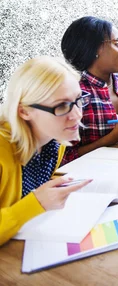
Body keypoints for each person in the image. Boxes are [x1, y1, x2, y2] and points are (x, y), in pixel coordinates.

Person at [0, 57, 93, 246]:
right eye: (61, 106)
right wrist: (35, 204)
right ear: (24, 111)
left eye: (78, 100)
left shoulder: (54, 142)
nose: (77, 114)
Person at [61, 16, 118, 163]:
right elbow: (63, 159)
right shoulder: (74, 96)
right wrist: (113, 137)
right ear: (94, 49)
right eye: (117, 44)